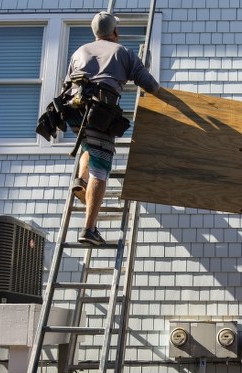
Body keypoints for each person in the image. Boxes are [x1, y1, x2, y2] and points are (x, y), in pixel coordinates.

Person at [66, 11, 161, 246]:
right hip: (99, 113)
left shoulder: (79, 52)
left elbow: (66, 84)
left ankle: (81, 179)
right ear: (115, 32)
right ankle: (89, 229)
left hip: (74, 111)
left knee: (88, 145)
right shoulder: (122, 52)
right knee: (100, 170)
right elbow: (150, 85)